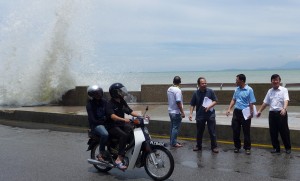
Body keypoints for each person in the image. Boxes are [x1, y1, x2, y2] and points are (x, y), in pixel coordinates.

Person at [106, 83, 141, 170]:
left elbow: (129, 111)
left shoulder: (121, 101)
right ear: (115, 93)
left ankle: (131, 153)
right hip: (111, 126)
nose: (122, 93)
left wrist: (141, 116)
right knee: (123, 135)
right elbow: (112, 116)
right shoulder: (109, 103)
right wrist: (124, 119)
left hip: (120, 124)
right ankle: (119, 159)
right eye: (120, 91)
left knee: (133, 131)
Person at [256, 74, 291, 154]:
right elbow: (265, 102)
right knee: (273, 132)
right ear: (271, 81)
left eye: (276, 80)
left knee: (284, 131)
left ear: (279, 81)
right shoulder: (270, 91)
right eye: (273, 80)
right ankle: (276, 148)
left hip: (281, 113)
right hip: (272, 113)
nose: (275, 81)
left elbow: (286, 100)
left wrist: (284, 109)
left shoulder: (284, 90)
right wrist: (259, 111)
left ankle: (288, 148)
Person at [226, 74, 256, 155]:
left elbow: (251, 102)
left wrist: (251, 112)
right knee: (235, 130)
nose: (235, 81)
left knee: (246, 131)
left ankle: (247, 148)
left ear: (242, 81)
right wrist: (229, 109)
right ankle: (237, 146)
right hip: (237, 112)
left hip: (245, 112)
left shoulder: (249, 90)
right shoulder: (236, 89)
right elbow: (233, 99)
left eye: (237, 80)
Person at [189, 77, 219, 153]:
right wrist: (190, 114)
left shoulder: (210, 91)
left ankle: (214, 147)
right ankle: (198, 146)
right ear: (199, 84)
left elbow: (215, 101)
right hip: (200, 115)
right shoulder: (195, 93)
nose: (204, 84)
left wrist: (209, 106)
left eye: (205, 83)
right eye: (202, 83)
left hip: (210, 115)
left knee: (212, 132)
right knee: (199, 132)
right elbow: (192, 104)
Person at [86, 85, 109, 161]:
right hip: (96, 125)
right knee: (105, 134)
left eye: (99, 92)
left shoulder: (104, 102)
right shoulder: (90, 104)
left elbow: (108, 112)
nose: (99, 94)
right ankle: (101, 153)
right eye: (96, 93)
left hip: (105, 123)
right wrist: (103, 121)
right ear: (92, 94)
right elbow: (92, 120)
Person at [167, 76, 185, 148]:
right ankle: (174, 143)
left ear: (173, 81)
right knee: (175, 128)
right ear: (180, 82)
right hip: (176, 112)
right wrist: (182, 112)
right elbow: (178, 102)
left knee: (172, 127)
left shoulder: (169, 89)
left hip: (170, 111)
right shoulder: (177, 90)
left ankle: (172, 141)